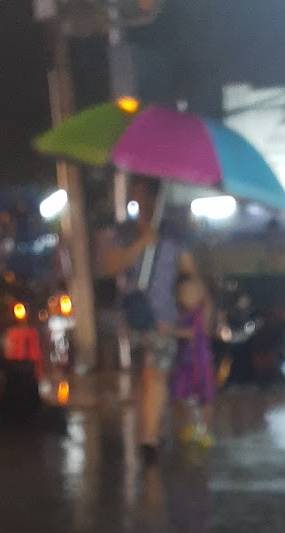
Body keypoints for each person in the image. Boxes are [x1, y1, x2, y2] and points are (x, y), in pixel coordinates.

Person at [101, 177, 196, 463]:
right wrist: (142, 243)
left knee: (155, 374)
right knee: (143, 377)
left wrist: (192, 303)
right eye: (135, 195)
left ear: (156, 198)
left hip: (163, 318)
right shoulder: (124, 233)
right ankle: (153, 427)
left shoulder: (174, 236)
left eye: (143, 195)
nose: (139, 201)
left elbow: (189, 272)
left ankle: (149, 439)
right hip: (133, 315)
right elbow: (110, 265)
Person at [172, 269, 215, 447]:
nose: (185, 297)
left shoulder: (200, 313)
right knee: (178, 394)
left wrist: (167, 331)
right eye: (182, 294)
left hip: (200, 363)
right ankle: (192, 425)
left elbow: (190, 333)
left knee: (206, 397)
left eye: (190, 293)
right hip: (185, 363)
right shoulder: (181, 315)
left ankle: (203, 430)